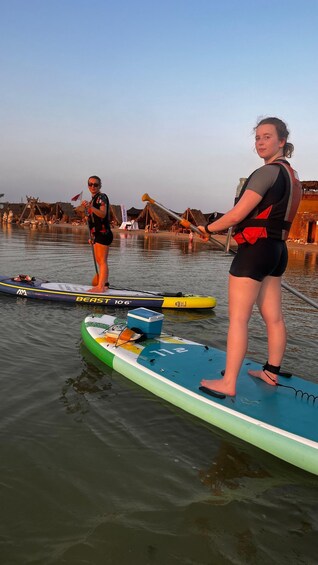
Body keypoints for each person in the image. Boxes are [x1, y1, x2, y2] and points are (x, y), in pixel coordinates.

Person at [198, 117, 302, 397]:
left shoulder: (266, 172)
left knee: (239, 319)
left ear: (282, 141)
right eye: (257, 137)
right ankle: (271, 372)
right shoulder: (294, 178)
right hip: (277, 252)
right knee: (274, 318)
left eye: (267, 137)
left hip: (256, 251)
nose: (260, 142)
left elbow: (238, 214)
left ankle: (228, 383)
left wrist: (207, 228)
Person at [82, 175, 113, 293]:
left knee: (102, 261)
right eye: (90, 184)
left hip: (104, 234)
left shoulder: (102, 197)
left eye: (95, 184)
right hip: (97, 235)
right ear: (88, 186)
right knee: (100, 261)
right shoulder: (93, 200)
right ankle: (104, 284)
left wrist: (90, 207)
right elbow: (93, 221)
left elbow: (102, 214)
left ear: (100, 186)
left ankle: (100, 287)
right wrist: (92, 237)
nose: (93, 186)